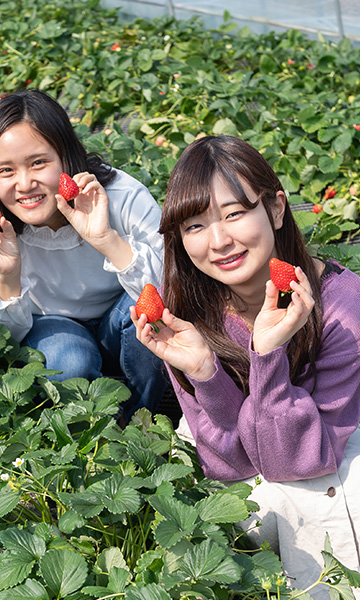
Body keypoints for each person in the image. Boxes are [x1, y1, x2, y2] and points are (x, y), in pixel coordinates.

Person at [131, 135, 360, 595]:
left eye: (234, 213)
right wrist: (205, 376)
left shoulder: (343, 308)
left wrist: (269, 352)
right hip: (264, 448)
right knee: (243, 507)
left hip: (334, 440)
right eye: (195, 226)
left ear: (276, 209)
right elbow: (228, 465)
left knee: (319, 500)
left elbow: (300, 460)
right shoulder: (191, 316)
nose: (219, 241)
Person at [0, 89, 167, 420]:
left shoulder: (121, 197)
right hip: (49, 325)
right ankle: (93, 431)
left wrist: (104, 238)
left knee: (144, 309)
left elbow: (171, 294)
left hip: (120, 320)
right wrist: (8, 274)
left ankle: (142, 422)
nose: (25, 183)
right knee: (69, 360)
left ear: (66, 157)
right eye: (6, 171)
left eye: (38, 162)